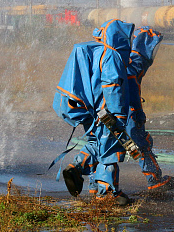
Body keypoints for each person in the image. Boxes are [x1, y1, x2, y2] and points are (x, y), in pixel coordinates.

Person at [53, 19, 135, 205]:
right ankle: (108, 193)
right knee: (110, 149)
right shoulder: (112, 55)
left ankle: (77, 168)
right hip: (107, 113)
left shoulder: (96, 50)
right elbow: (112, 86)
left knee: (96, 142)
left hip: (88, 109)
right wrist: (118, 116)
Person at [124, 26, 174, 192]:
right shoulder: (135, 62)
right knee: (141, 142)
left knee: (112, 145)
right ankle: (153, 179)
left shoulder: (124, 60)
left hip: (111, 113)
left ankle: (94, 182)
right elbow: (131, 89)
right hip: (126, 113)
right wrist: (138, 113)